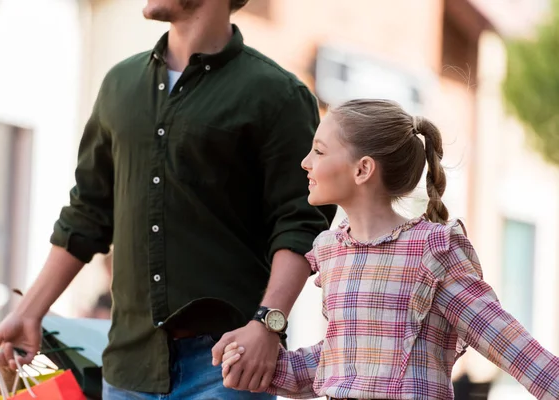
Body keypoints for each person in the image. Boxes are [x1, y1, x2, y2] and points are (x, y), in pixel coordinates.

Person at [0, 0, 335, 399]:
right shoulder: (120, 84)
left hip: (228, 365)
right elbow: (87, 213)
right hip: (128, 368)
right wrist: (29, 311)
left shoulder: (278, 95)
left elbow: (301, 221)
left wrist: (267, 324)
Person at [217, 99, 559, 399]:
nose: (306, 162)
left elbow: (506, 342)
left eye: (319, 151)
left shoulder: (432, 250)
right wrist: (262, 368)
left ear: (363, 169)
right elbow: (339, 361)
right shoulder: (331, 251)